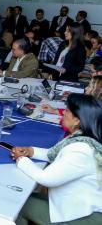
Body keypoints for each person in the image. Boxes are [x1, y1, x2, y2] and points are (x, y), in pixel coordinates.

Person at [12, 94, 102, 225]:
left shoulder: (82, 150)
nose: (62, 113)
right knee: (25, 197)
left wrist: (21, 160)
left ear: (77, 120)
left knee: (16, 204)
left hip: (81, 216)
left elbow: (47, 178)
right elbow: (53, 154)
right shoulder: (84, 138)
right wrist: (30, 151)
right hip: (76, 204)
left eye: (66, 111)